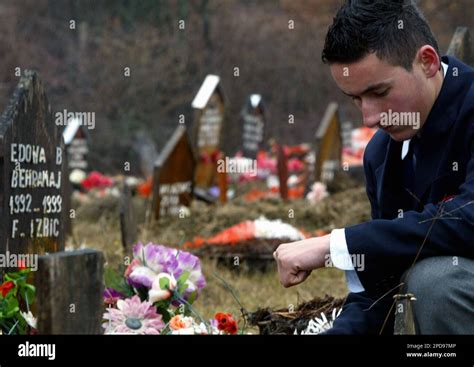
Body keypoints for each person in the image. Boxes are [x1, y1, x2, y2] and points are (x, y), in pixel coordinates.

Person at [273, 0, 474, 334]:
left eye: (379, 91)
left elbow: (469, 220)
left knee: (437, 283)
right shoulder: (382, 153)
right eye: (355, 99)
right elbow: (383, 282)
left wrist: (335, 246)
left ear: (426, 61)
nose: (369, 118)